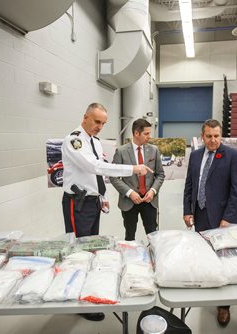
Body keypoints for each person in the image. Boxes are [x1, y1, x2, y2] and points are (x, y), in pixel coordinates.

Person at [61, 103, 153, 321]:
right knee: (80, 251)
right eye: (96, 121)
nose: (100, 126)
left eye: (103, 123)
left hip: (92, 202)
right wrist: (132, 168)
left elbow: (97, 172)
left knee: (92, 248)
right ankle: (79, 303)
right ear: (85, 117)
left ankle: (88, 293)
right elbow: (95, 167)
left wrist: (102, 197)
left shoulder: (93, 140)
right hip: (78, 203)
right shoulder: (74, 140)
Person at [183, 119, 237, 327]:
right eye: (209, 136)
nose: (213, 140)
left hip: (223, 219)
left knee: (224, 261)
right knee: (205, 256)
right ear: (203, 136)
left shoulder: (232, 156)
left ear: (221, 136)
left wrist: (228, 217)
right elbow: (190, 185)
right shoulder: (195, 156)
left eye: (216, 136)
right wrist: (187, 211)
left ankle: (224, 306)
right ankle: (208, 289)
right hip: (200, 215)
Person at [110, 119, 165, 241]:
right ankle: (131, 258)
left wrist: (153, 191)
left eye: (150, 133)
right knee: (130, 235)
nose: (149, 137)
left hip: (149, 201)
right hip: (129, 202)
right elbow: (113, 176)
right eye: (146, 134)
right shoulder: (121, 152)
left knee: (153, 235)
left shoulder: (154, 150)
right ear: (136, 133)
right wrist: (130, 193)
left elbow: (160, 174)